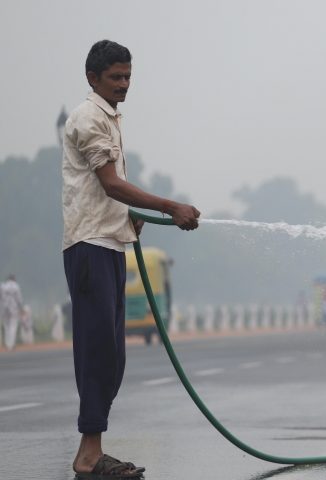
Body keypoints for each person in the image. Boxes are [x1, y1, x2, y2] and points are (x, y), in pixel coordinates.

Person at [62, 40, 200, 478]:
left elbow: (110, 189)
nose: (124, 85)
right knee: (98, 351)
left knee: (114, 356)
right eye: (115, 78)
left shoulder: (110, 118)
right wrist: (169, 207)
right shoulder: (88, 119)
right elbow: (110, 184)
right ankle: (88, 455)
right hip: (89, 246)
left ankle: (92, 448)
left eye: (127, 77)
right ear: (92, 78)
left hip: (110, 242)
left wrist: (129, 218)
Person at [0, 274, 24, 350]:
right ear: (14, 279)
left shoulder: (2, 286)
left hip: (4, 308)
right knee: (13, 326)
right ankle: (11, 344)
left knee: (7, 327)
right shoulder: (16, 286)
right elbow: (19, 299)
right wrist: (21, 308)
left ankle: (7, 344)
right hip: (14, 308)